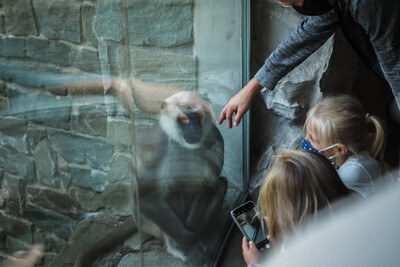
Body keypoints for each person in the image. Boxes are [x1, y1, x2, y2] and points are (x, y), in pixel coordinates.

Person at [218, 0, 400, 129]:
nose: (297, 7)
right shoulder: (334, 4)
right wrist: (251, 88)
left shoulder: (366, 3)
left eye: (295, 2)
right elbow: (302, 39)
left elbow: (393, 61)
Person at [242, 149, 350, 266]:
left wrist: (254, 263)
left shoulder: (298, 256)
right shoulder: (354, 218)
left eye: (274, 212)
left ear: (290, 221)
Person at [302, 95, 387, 198]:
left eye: (313, 139)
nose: (305, 139)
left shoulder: (352, 172)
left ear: (339, 149)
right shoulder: (344, 156)